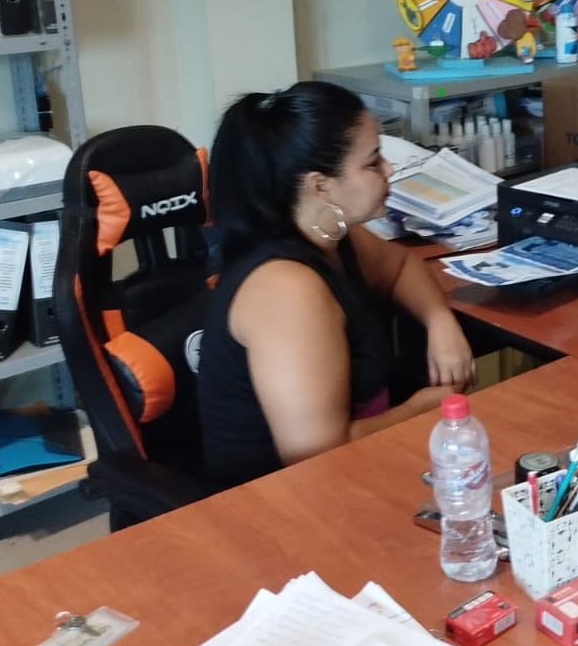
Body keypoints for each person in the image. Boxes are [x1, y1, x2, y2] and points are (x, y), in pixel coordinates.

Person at [198, 83, 475, 490]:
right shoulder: (288, 289)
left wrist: (440, 322)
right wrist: (421, 408)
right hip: (281, 500)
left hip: (356, 469)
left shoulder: (330, 237)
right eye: (373, 162)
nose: (389, 171)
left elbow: (402, 267)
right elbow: (314, 456)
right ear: (320, 185)